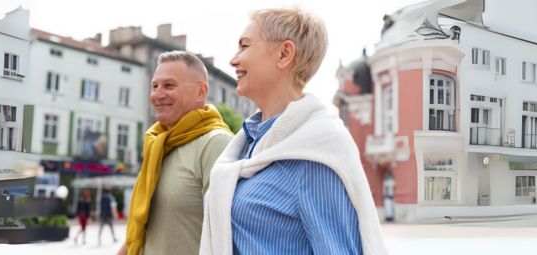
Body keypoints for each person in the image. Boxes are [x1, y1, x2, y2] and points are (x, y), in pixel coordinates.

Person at [200, 7, 389, 255]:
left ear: (284, 54)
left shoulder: (315, 155)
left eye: (245, 46)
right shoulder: (247, 144)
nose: (234, 60)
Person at [118, 51, 233, 255]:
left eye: (169, 85)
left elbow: (229, 236)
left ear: (201, 91)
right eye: (154, 86)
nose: (158, 94)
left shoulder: (215, 143)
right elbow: (146, 227)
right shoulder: (159, 145)